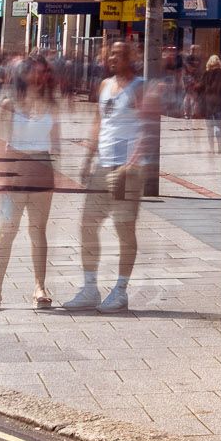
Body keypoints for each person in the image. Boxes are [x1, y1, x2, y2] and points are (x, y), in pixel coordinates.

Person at [64, 39, 153, 314]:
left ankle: (121, 290)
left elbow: (149, 129)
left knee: (124, 228)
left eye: (121, 54)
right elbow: (98, 122)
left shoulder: (140, 87)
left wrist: (132, 165)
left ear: (131, 56)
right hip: (103, 165)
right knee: (87, 224)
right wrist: (88, 158)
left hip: (127, 168)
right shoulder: (104, 85)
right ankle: (90, 287)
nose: (114, 58)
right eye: (111, 54)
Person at [0, 56, 60, 312]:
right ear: (22, 75)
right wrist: (1, 179)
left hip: (42, 172)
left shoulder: (50, 106)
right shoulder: (9, 104)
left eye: (42, 73)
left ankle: (40, 287)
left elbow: (56, 143)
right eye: (33, 73)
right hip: (15, 171)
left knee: (38, 230)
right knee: (7, 231)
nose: (38, 78)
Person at [199, 54, 221, 154]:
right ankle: (220, 147)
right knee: (218, 125)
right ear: (218, 63)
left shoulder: (206, 74)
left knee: (209, 127)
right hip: (219, 103)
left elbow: (200, 89)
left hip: (208, 103)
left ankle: (211, 149)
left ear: (209, 63)